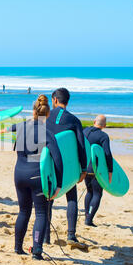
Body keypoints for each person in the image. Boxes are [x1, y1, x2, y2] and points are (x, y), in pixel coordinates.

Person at [1, 95, 63, 260]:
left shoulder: (22, 127)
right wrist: (59, 185)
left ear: (33, 111)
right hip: (37, 176)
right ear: (48, 115)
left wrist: (6, 129)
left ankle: (17, 247)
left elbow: (14, 127)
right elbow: (58, 159)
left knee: (23, 211)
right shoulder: (47, 133)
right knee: (41, 213)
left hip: (19, 174)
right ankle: (36, 250)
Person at [46, 88, 87, 249]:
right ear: (67, 101)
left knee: (48, 198)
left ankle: (46, 237)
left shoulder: (45, 117)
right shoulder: (74, 120)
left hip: (49, 163)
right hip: (68, 166)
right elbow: (81, 146)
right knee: (71, 197)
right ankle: (71, 234)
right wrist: (83, 168)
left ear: (54, 100)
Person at [84, 115, 113, 227]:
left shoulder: (85, 131)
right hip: (96, 169)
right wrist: (110, 171)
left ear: (94, 121)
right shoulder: (103, 136)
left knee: (89, 192)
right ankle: (89, 219)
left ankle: (87, 215)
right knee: (97, 193)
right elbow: (107, 154)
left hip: (85, 167)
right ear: (104, 125)